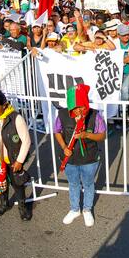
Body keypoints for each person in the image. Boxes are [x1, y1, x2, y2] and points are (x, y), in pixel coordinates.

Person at [54, 84, 107, 227]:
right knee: (73, 183)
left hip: (89, 159)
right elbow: (57, 131)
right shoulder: (62, 115)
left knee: (89, 184)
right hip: (70, 158)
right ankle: (74, 209)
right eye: (75, 108)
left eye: (82, 107)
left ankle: (87, 209)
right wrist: (64, 147)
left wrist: (87, 135)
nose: (79, 111)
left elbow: (102, 136)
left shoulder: (95, 115)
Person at [0, 89, 33, 220]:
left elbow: (26, 141)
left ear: (4, 105)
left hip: (13, 160)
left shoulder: (16, 118)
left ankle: (22, 207)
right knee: (0, 184)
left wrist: (20, 161)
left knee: (17, 184)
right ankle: (4, 204)